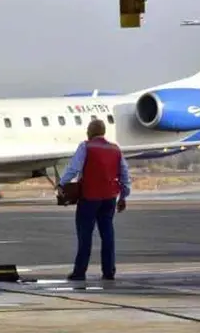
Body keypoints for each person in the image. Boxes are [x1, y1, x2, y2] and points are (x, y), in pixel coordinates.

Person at [57, 118, 130, 281]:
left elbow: (74, 168)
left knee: (85, 235)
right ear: (103, 132)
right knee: (108, 234)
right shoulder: (115, 149)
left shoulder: (85, 147)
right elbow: (124, 174)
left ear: (90, 132)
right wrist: (123, 196)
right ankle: (109, 271)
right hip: (109, 197)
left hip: (89, 197)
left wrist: (61, 183)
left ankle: (80, 271)